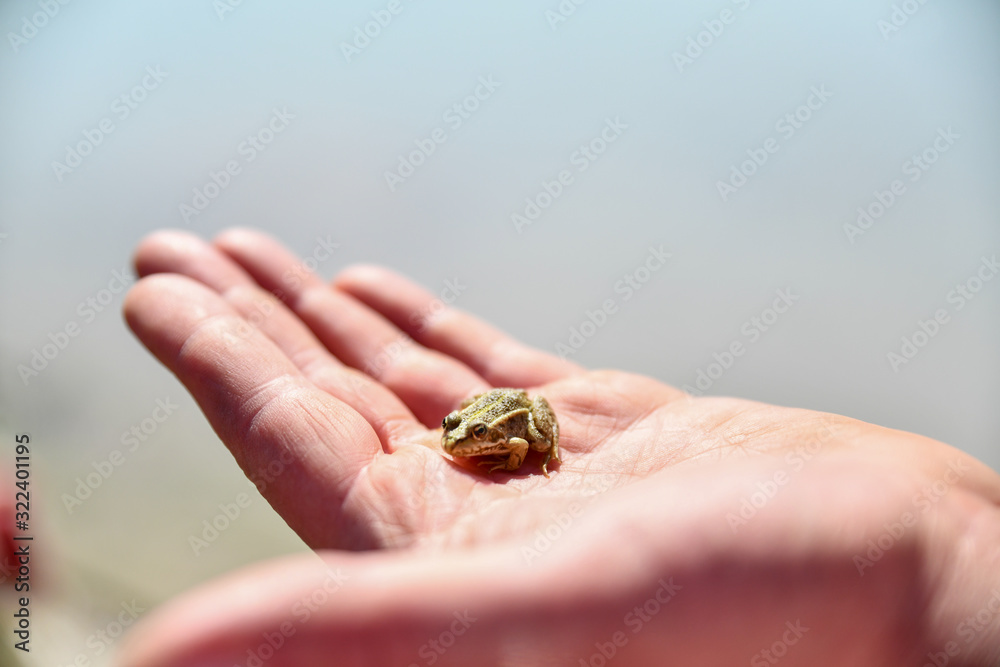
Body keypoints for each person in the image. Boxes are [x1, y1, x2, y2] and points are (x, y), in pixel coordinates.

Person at [118, 228, 1000, 667]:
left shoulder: (516, 432)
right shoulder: (468, 429)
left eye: (468, 439)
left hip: (526, 415)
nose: (459, 445)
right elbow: (470, 424)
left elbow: (515, 425)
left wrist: (948, 566)